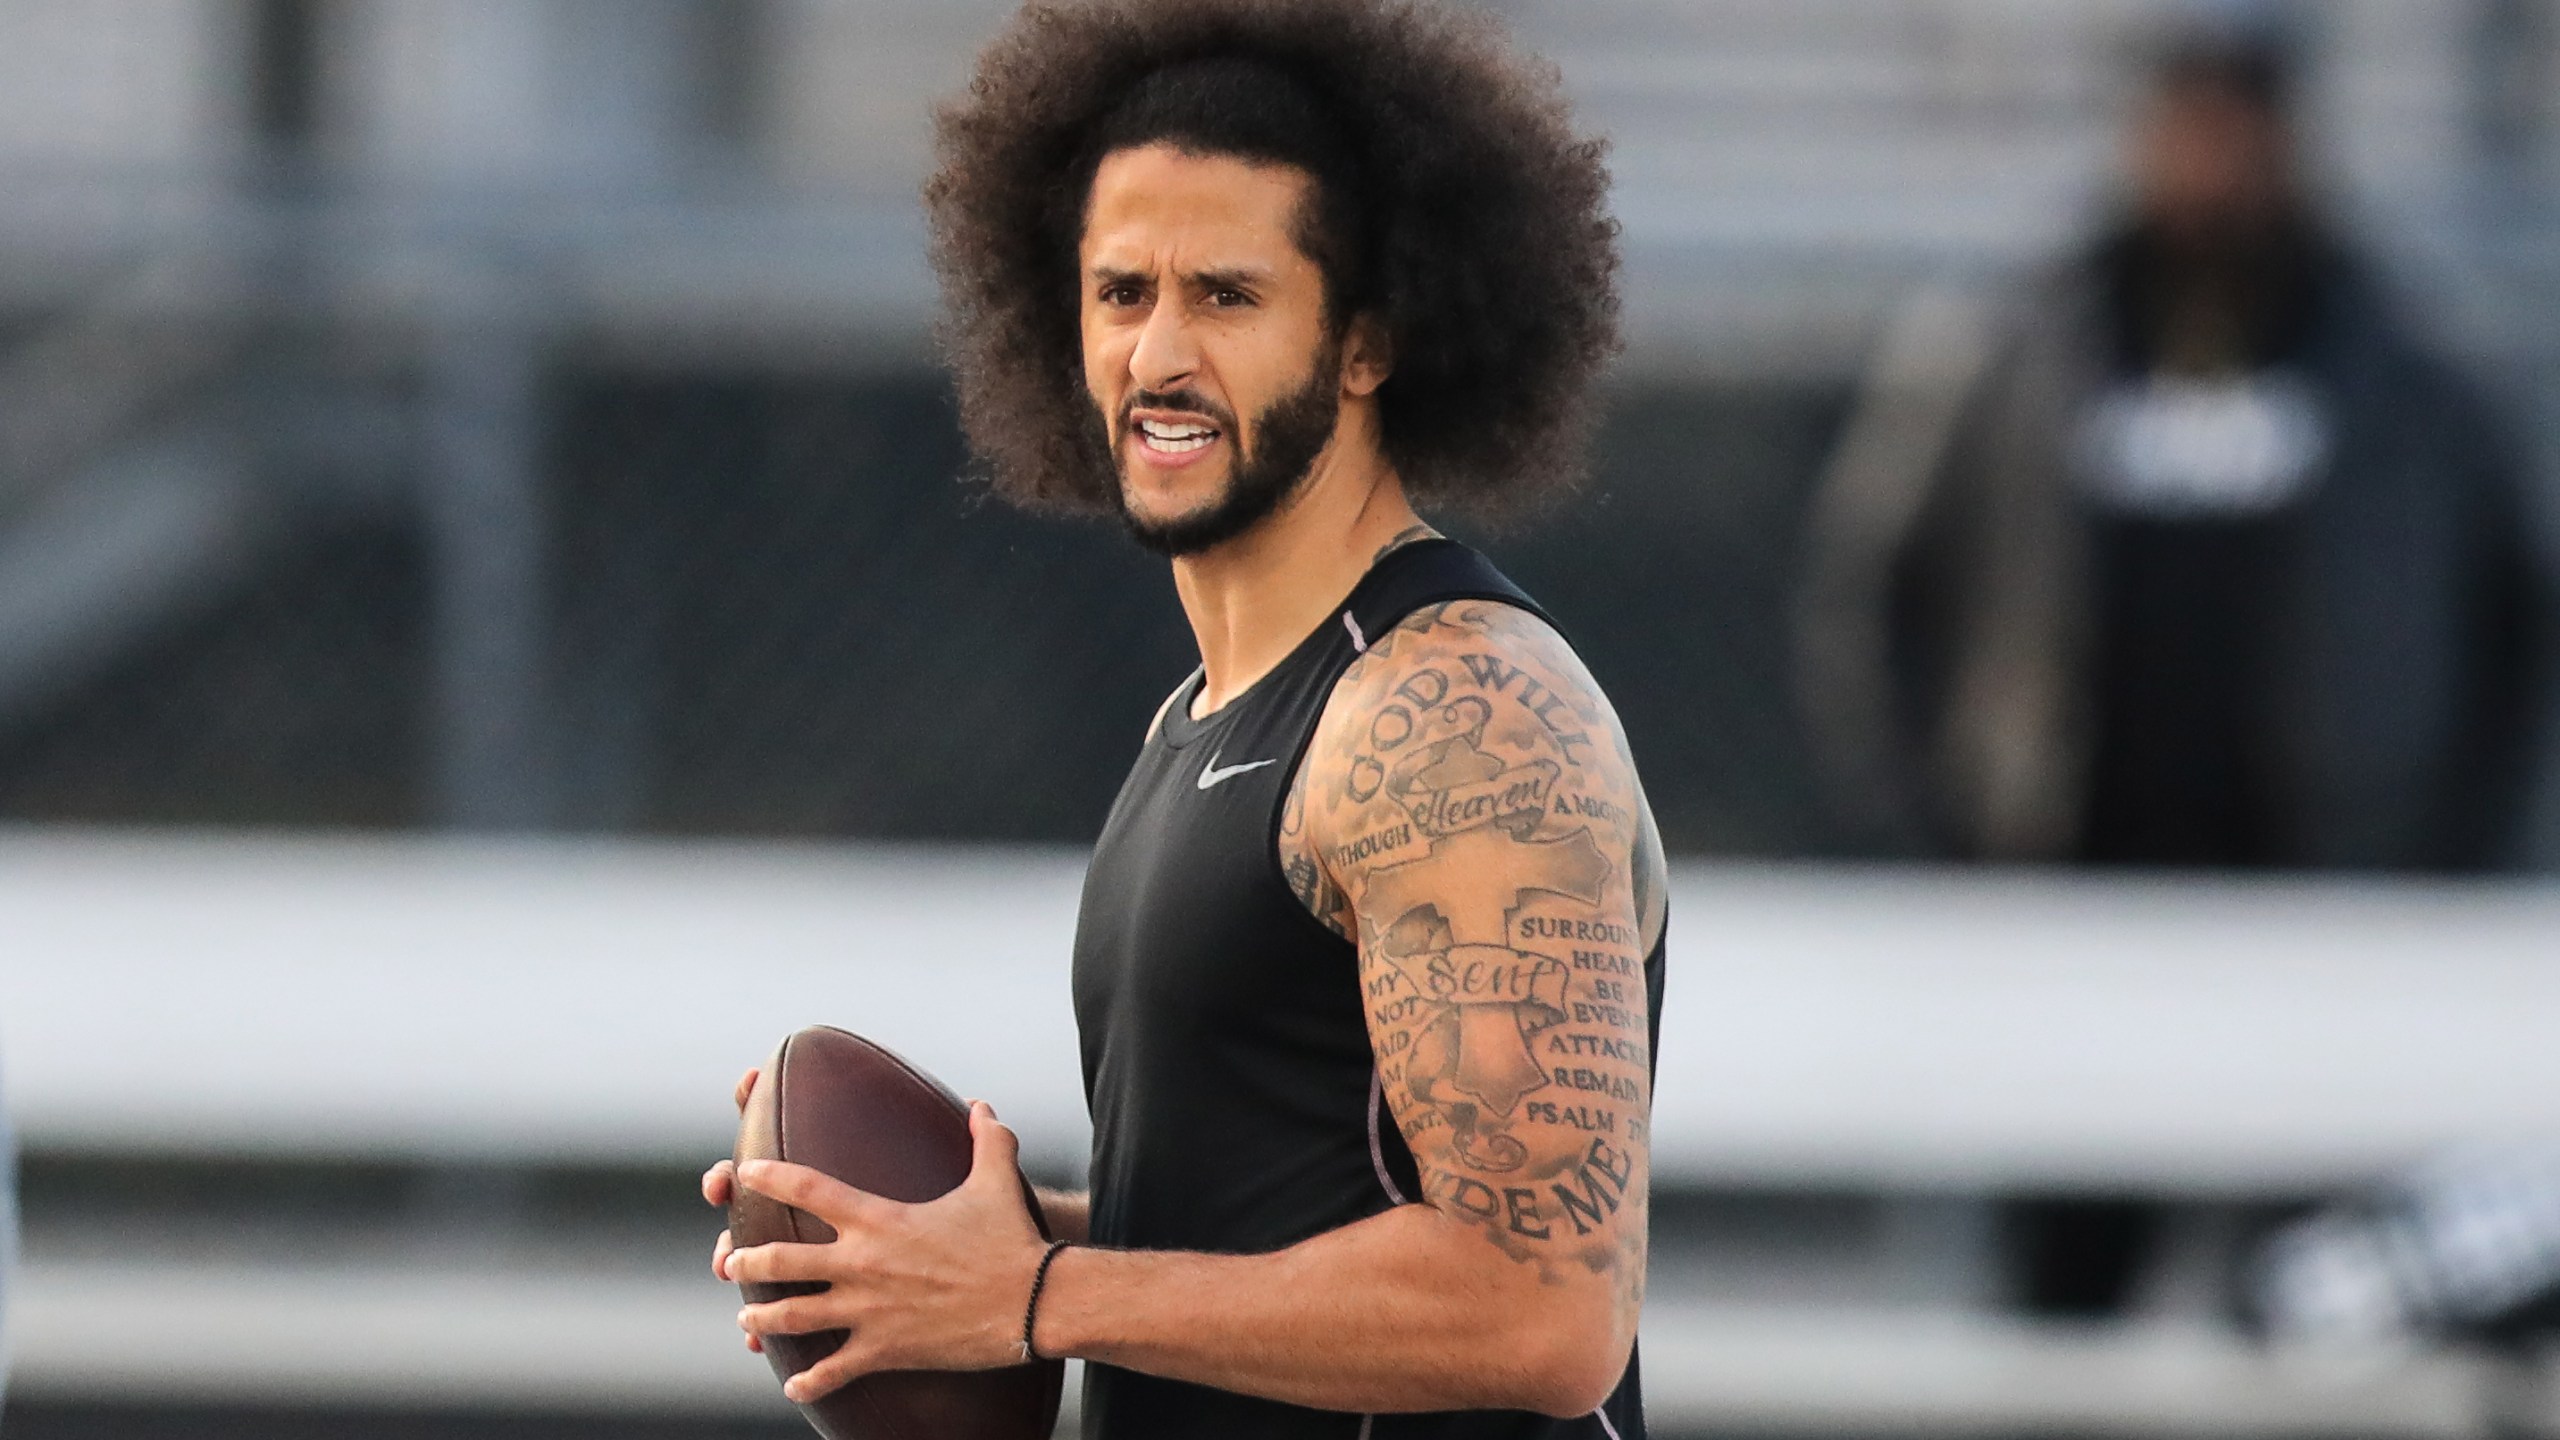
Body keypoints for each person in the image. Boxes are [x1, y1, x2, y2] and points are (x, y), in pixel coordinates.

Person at [701, 1, 1665, 1436]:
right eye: (1119, 293)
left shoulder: (1459, 714)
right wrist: (959, 1247)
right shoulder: (1202, 719)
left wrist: (1039, 1298)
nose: (1157, 355)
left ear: (1366, 341)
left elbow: (1539, 1307)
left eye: (1226, 295)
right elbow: (1287, 1204)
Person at [1796, 21, 2555, 1316]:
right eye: (2185, 122)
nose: (2211, 160)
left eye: (2239, 126)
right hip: (2070, 908)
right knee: (2065, 1289)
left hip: (2323, 925)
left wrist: (2444, 851)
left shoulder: (2396, 367)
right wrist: (1940, 823)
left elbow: (2513, 621)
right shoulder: (2023, 347)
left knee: (2321, 1293)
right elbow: (1878, 592)